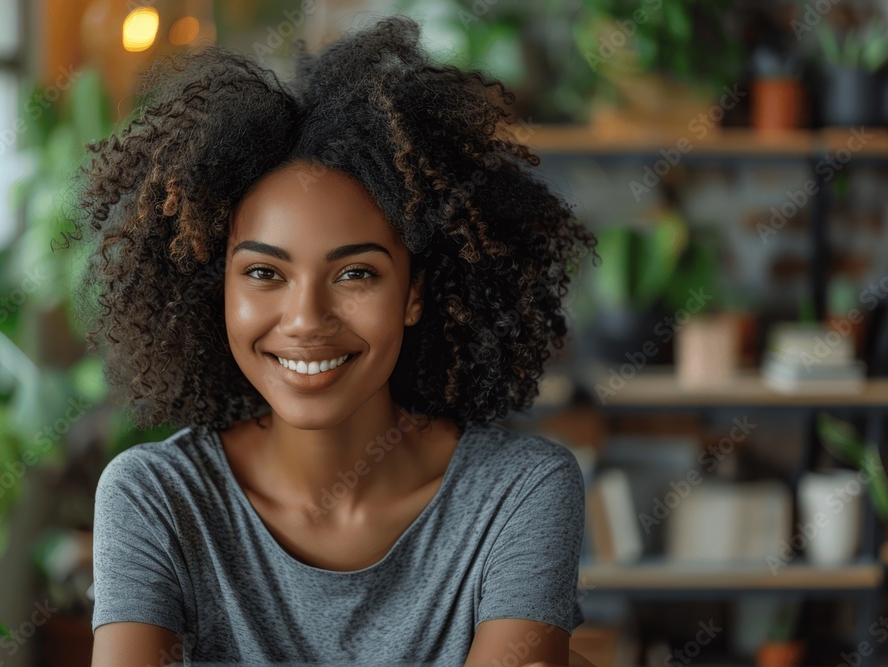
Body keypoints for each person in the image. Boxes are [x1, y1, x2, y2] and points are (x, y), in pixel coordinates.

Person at [70, 13, 596, 667]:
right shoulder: (157, 497)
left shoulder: (518, 494)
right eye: (264, 272)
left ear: (414, 292)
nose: (305, 316)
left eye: (355, 273)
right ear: (220, 291)